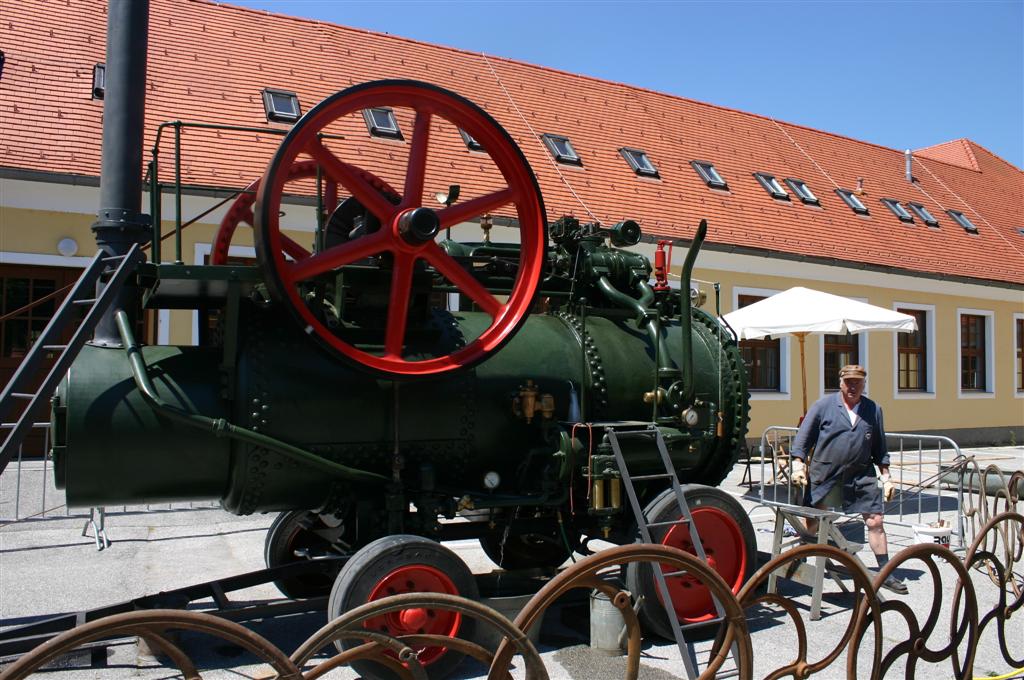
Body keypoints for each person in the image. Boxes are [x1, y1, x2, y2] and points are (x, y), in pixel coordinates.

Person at [789, 364, 907, 594]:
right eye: (849, 382)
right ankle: (797, 560)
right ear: (840, 383)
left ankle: (885, 573)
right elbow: (804, 438)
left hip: (860, 475)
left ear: (864, 384)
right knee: (813, 523)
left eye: (858, 382)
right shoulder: (823, 406)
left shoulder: (873, 409)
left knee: (876, 522)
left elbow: (880, 446)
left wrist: (886, 477)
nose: (853, 386)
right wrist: (797, 463)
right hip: (826, 475)